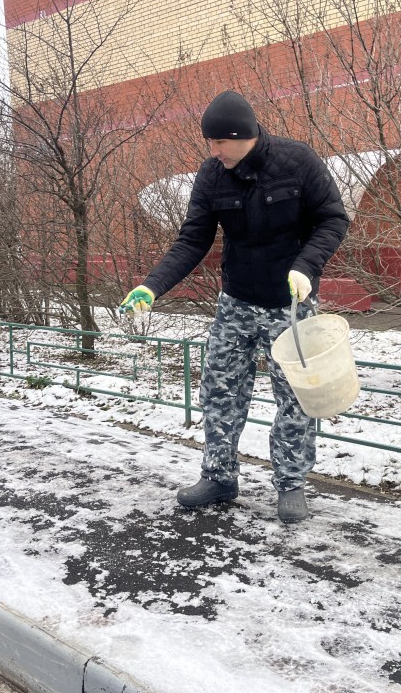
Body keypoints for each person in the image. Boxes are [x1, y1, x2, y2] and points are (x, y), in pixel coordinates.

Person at [119, 90, 350, 522]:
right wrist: (152, 286)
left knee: (295, 399)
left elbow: (333, 218)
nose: (214, 151)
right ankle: (219, 477)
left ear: (243, 135)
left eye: (220, 142)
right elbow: (192, 239)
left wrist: (306, 266)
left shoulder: (297, 160)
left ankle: (291, 484)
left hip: (291, 306)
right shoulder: (212, 176)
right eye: (210, 143)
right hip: (236, 303)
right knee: (220, 391)